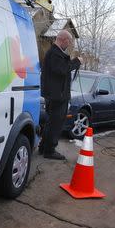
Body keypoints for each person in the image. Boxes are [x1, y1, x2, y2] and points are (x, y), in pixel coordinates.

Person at [40, 30, 82, 160]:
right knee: (56, 123)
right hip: (57, 96)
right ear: (63, 39)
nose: (69, 44)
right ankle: (50, 150)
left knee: (51, 122)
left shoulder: (55, 53)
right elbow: (62, 69)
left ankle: (44, 147)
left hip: (56, 95)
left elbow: (62, 68)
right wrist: (77, 61)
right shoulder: (54, 53)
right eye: (69, 42)